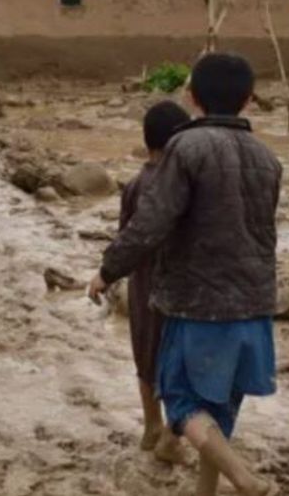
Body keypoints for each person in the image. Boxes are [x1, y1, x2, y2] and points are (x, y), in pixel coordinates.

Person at [88, 53, 280, 496]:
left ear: (191, 97)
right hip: (255, 306)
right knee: (220, 412)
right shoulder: (267, 158)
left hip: (198, 306)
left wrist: (107, 270)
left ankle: (245, 480)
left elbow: (151, 223)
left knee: (182, 404)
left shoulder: (186, 148)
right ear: (249, 100)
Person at [120, 100, 191, 463]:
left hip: (143, 285)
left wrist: (109, 273)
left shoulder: (134, 185)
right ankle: (173, 436)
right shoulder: (186, 185)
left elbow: (127, 237)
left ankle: (152, 425)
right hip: (181, 289)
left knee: (146, 358)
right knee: (178, 364)